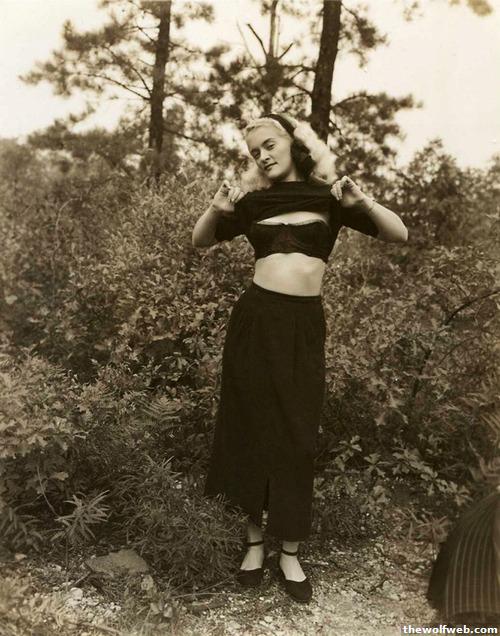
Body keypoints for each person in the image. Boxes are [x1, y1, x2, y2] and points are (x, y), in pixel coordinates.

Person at [191, 113, 408, 603]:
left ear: (294, 141)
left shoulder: (329, 197)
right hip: (254, 322)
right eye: (254, 152)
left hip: (303, 327)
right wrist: (216, 207)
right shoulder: (252, 202)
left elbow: (399, 234)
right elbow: (199, 241)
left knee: (296, 433)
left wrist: (362, 201)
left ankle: (289, 552)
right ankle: (253, 543)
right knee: (249, 427)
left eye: (269, 145)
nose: (262, 156)